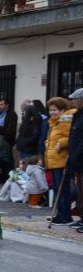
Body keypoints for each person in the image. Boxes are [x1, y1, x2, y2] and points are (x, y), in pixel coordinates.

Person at [44, 97, 75, 225]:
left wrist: (60, 143)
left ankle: (65, 216)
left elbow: (70, 137)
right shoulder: (54, 122)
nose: (52, 112)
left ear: (62, 110)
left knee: (62, 190)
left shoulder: (65, 121)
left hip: (61, 160)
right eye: (50, 110)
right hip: (54, 160)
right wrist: (48, 143)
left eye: (55, 110)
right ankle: (60, 214)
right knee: (57, 189)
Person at [67, 89, 83, 231]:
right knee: (80, 191)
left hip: (80, 158)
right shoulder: (77, 115)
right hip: (76, 159)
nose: (72, 102)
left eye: (74, 99)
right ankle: (81, 218)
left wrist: (76, 155)